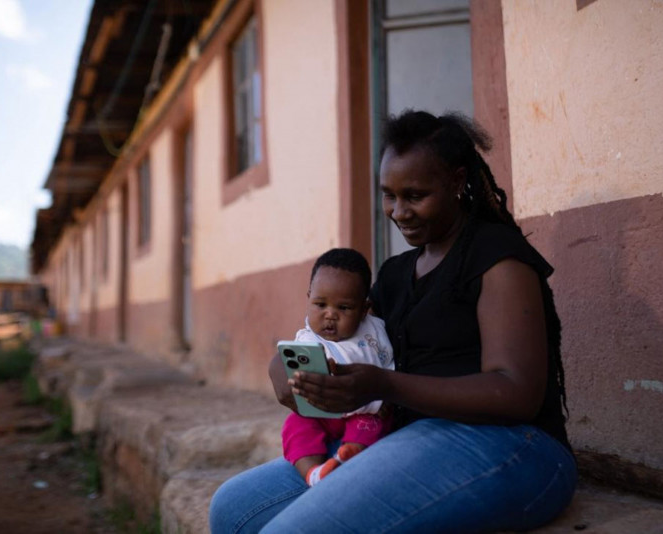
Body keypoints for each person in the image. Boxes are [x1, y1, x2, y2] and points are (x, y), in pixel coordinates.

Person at [209, 110, 576, 533]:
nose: (399, 212)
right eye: (389, 195)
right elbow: (341, 344)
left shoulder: (497, 259)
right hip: (406, 438)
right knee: (233, 510)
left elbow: (516, 394)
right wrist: (288, 371)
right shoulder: (396, 274)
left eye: (415, 195)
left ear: (457, 182)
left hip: (514, 445)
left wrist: (383, 384)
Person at [282, 248, 394, 486]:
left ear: (364, 309)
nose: (330, 315)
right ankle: (313, 473)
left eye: (343, 308)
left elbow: (388, 365)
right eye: (320, 304)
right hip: (323, 411)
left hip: (364, 409)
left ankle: (348, 456)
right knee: (296, 424)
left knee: (371, 424)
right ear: (309, 298)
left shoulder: (374, 332)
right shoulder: (306, 340)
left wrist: (385, 400)